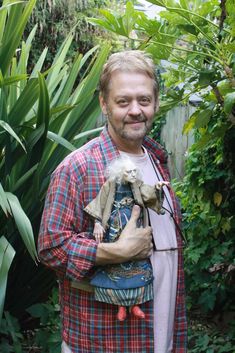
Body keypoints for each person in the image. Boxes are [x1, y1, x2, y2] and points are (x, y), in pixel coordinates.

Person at [38, 50, 187, 353]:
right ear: (104, 104)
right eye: (123, 101)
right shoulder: (77, 168)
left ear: (155, 103)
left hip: (164, 337)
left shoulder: (159, 161)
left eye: (144, 100)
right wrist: (113, 252)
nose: (136, 110)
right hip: (104, 342)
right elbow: (50, 247)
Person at [84, 156, 169, 321]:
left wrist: (157, 188)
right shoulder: (110, 185)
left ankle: (135, 305)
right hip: (114, 230)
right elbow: (99, 205)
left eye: (134, 171)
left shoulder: (136, 185)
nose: (132, 174)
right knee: (116, 267)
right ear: (120, 173)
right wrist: (97, 224)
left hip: (134, 229)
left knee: (137, 266)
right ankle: (121, 307)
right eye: (128, 172)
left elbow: (149, 195)